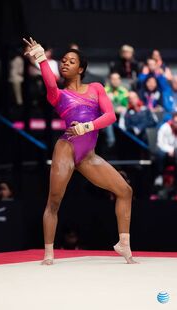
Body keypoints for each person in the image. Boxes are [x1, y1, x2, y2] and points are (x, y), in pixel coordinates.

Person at [23, 37, 136, 265]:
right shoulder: (58, 95)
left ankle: (123, 244)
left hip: (88, 155)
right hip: (66, 149)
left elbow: (110, 116)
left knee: (125, 191)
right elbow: (51, 84)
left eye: (71, 61)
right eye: (63, 61)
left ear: (81, 68)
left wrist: (86, 126)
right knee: (54, 201)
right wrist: (42, 59)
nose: (65, 63)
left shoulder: (96, 88)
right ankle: (48, 254)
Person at [154, 112, 177, 186]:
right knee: (160, 154)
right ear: (172, 120)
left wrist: (174, 151)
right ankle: (159, 175)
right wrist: (170, 150)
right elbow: (160, 143)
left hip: (174, 152)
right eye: (176, 122)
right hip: (164, 150)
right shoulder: (164, 127)